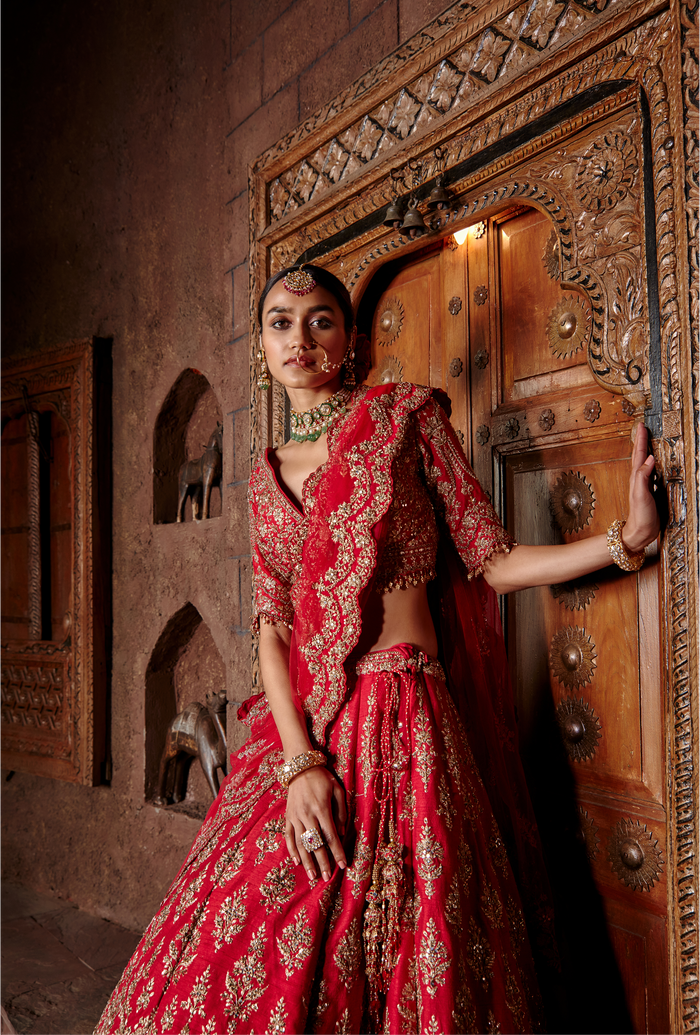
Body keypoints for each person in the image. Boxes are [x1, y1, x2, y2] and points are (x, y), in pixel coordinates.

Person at [95, 264, 659, 1035]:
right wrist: (299, 765)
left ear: (350, 340)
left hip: (406, 719)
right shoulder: (261, 480)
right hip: (304, 733)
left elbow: (491, 559)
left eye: (320, 319)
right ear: (262, 346)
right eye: (281, 322)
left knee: (409, 941)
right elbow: (272, 627)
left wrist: (623, 541)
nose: (300, 337)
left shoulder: (404, 418)